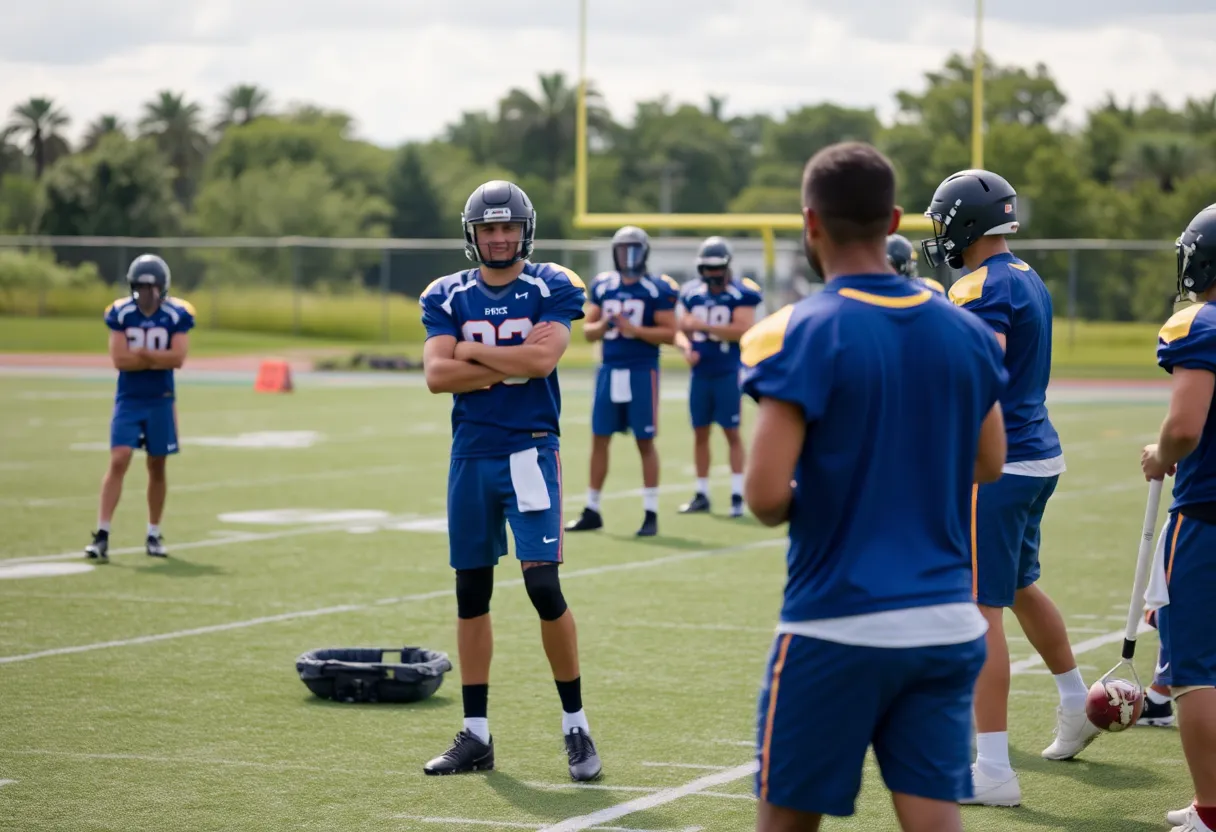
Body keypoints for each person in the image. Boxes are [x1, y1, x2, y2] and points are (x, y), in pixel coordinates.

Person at [741, 141, 1008, 832]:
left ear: (810, 224)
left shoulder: (801, 330)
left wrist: (840, 490)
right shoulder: (966, 330)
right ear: (893, 220)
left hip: (838, 618)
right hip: (947, 620)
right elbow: (989, 462)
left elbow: (766, 495)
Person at [924, 168, 1100, 806]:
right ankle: (1077, 701)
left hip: (998, 464)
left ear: (966, 222)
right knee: (1020, 585)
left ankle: (993, 769)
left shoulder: (978, 286)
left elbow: (981, 374)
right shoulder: (1024, 275)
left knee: (981, 609)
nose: (940, 234)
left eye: (944, 220)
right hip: (1038, 454)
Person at [419, 179, 602, 781]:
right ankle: (476, 735)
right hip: (472, 453)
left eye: (507, 227)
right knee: (471, 593)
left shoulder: (551, 283)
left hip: (529, 450)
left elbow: (541, 361)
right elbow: (436, 377)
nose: (499, 238)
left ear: (526, 229)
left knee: (543, 587)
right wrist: (505, 359)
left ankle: (575, 724)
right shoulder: (446, 293)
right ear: (472, 235)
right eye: (488, 229)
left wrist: (472, 353)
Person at [1141, 202, 1216, 832]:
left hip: (1209, 515)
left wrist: (1159, 454)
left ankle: (1211, 810)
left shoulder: (1199, 324)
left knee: (1195, 670)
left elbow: (1186, 427)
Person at [565, 225, 678, 537]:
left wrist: (636, 330)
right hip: (609, 369)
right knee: (599, 438)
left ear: (644, 252)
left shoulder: (657, 288)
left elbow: (670, 333)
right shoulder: (603, 284)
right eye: (622, 249)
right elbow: (588, 332)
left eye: (634, 249)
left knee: (645, 441)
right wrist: (604, 325)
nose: (628, 256)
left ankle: (651, 512)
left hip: (642, 370)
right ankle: (592, 508)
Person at [85, 254, 194, 562]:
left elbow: (178, 358)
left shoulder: (176, 315)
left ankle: (153, 533)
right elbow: (120, 360)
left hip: (161, 399)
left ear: (162, 287)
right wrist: (156, 357)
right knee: (119, 458)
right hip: (129, 400)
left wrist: (143, 355)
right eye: (140, 287)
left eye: (151, 287)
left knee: (156, 466)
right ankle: (102, 533)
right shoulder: (121, 313)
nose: (146, 293)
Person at [673, 236, 763, 517]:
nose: (712, 274)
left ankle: (738, 493)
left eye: (717, 268)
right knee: (700, 432)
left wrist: (704, 326)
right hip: (700, 374)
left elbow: (744, 329)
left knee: (731, 432)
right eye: (708, 268)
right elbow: (680, 330)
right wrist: (686, 348)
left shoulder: (742, 293)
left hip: (727, 372)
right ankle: (702, 493)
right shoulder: (691, 293)